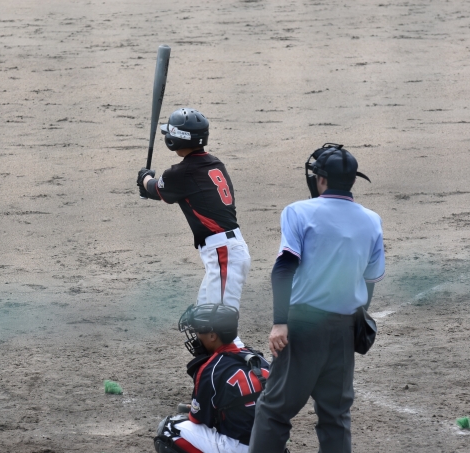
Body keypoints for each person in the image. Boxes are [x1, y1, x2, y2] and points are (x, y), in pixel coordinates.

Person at [247, 143, 386, 453]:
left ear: (321, 179)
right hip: (344, 330)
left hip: (304, 328)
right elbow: (370, 282)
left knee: (273, 410)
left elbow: (284, 268)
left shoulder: (298, 211)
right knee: (336, 417)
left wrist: (280, 322)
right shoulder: (372, 220)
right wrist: (357, 318)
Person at [137, 108, 251, 345]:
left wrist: (144, 178)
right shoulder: (215, 163)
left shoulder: (181, 172)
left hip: (223, 253)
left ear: (174, 140)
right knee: (203, 322)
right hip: (225, 251)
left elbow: (155, 189)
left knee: (220, 329)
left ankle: (248, 367)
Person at [154, 304, 271, 453]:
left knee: (169, 428)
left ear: (212, 336)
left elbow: (198, 420)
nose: (196, 337)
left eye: (197, 332)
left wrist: (200, 409)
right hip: (274, 444)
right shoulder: (259, 359)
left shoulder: (211, 368)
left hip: (242, 447)